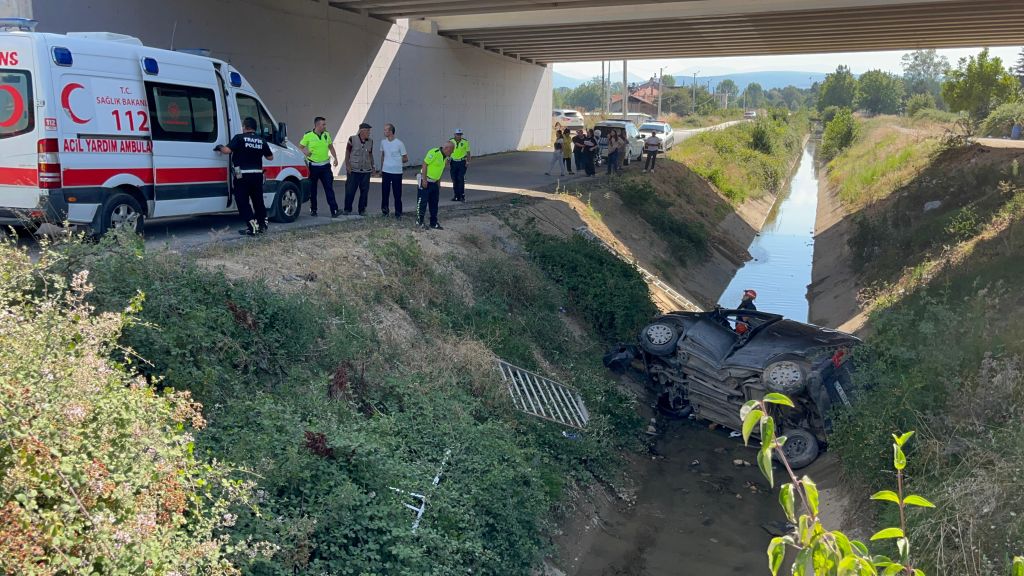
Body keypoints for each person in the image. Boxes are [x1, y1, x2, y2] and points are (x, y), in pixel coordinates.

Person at [215, 117, 273, 236]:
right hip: (257, 174)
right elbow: (270, 157)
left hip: (242, 175)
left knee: (242, 201)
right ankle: (262, 225)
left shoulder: (239, 138)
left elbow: (227, 150)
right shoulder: (261, 140)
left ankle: (253, 227)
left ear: (245, 127)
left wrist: (219, 147)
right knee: (258, 201)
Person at [297, 116, 339, 217]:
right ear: (317, 125)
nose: (325, 126)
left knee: (329, 188)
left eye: (325, 124)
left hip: (325, 166)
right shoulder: (308, 135)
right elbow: (300, 147)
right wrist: (306, 152)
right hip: (313, 166)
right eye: (323, 124)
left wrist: (335, 158)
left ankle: (334, 210)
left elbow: (331, 147)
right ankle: (313, 209)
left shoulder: (326, 135)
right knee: (313, 189)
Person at [417, 141, 453, 230]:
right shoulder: (434, 152)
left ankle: (433, 223)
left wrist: (439, 182)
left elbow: (440, 170)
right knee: (422, 202)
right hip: (426, 180)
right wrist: (424, 180)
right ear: (446, 148)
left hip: (434, 182)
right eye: (451, 150)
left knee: (434, 203)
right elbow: (425, 164)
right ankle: (420, 221)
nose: (452, 153)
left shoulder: (445, 157)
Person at [344, 122, 376, 215]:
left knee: (364, 192)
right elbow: (347, 153)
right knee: (350, 191)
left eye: (369, 131)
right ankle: (347, 209)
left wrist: (373, 166)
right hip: (354, 170)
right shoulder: (352, 139)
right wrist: (347, 165)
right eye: (368, 131)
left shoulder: (370, 141)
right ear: (362, 131)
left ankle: (362, 210)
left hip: (366, 170)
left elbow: (370, 154)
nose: (369, 133)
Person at [379, 123, 408, 218]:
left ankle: (398, 213)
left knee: (397, 193)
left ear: (391, 131)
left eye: (386, 130)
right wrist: (381, 168)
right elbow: (383, 155)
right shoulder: (383, 142)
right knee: (385, 193)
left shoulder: (399, 143)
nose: (384, 131)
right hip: (386, 171)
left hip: (396, 172)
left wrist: (397, 160)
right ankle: (385, 212)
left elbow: (405, 158)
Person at [449, 129, 471, 202]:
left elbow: (468, 152)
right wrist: (447, 159)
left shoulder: (465, 142)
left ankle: (462, 196)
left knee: (460, 178)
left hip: (462, 162)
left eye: (460, 134)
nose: (459, 136)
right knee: (454, 179)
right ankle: (456, 196)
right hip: (453, 162)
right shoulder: (451, 141)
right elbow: (448, 151)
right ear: (454, 134)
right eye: (457, 134)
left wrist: (468, 161)